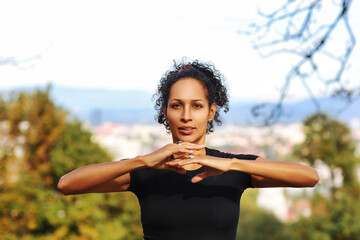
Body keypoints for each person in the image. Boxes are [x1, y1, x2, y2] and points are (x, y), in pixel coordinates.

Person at [58, 59, 319, 240]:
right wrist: (141, 162)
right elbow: (67, 185)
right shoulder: (147, 170)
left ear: (210, 112)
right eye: (176, 105)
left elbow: (309, 177)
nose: (186, 116)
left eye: (196, 106)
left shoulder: (231, 168)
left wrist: (234, 164)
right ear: (165, 112)